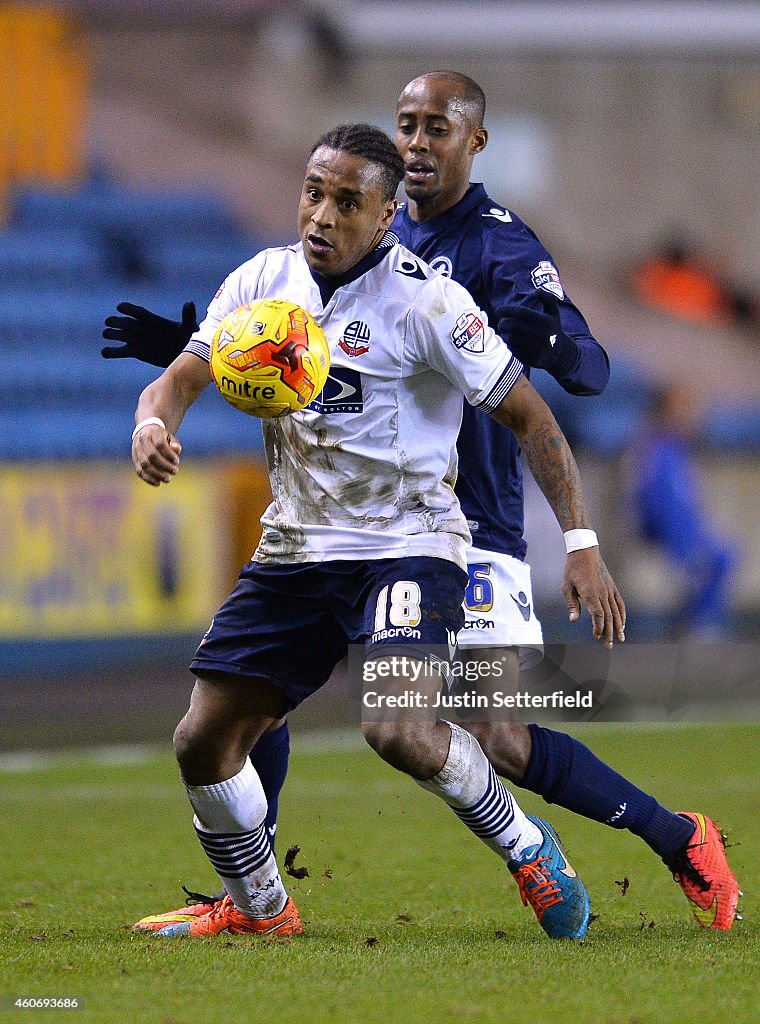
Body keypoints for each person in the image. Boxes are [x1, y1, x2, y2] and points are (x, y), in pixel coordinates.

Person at [103, 75, 740, 933]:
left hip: (434, 537)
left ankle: (569, 846)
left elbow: (547, 401)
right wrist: (154, 420)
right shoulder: (263, 282)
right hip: (300, 545)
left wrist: (581, 535)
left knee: (444, 730)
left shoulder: (450, 280)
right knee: (211, 735)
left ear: (393, 206)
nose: (322, 215)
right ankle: (259, 905)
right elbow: (177, 381)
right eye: (312, 194)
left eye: (435, 128)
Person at [632, 382, 738, 638]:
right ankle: (695, 627)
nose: (689, 415)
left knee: (725, 555)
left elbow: (691, 503)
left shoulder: (681, 451)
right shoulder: (654, 449)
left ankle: (696, 623)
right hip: (663, 529)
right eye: (681, 408)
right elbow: (649, 501)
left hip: (686, 529)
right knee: (715, 559)